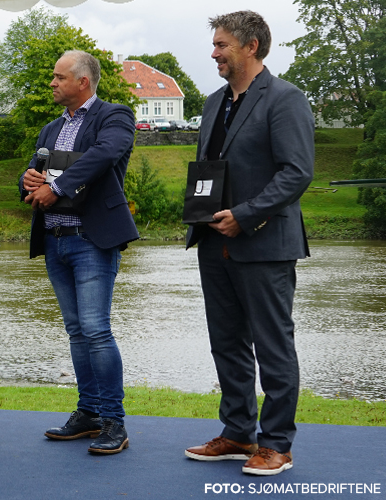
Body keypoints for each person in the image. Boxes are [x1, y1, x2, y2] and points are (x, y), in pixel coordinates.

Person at [183, 11, 313, 476]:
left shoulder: (285, 99)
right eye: (215, 45)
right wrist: (202, 216)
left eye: (221, 45)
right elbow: (209, 170)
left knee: (273, 346)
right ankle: (239, 432)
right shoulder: (215, 101)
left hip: (264, 243)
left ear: (251, 46)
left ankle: (276, 444)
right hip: (212, 243)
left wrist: (245, 215)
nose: (214, 53)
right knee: (227, 344)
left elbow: (296, 172)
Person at [19, 50, 139, 455]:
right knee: (76, 331)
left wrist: (58, 186)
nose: (52, 83)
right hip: (55, 241)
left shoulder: (114, 116)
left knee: (96, 330)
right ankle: (88, 414)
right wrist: (30, 180)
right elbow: (34, 177)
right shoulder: (51, 128)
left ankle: (113, 422)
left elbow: (104, 157)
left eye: (58, 77)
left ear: (82, 81)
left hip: (91, 240)